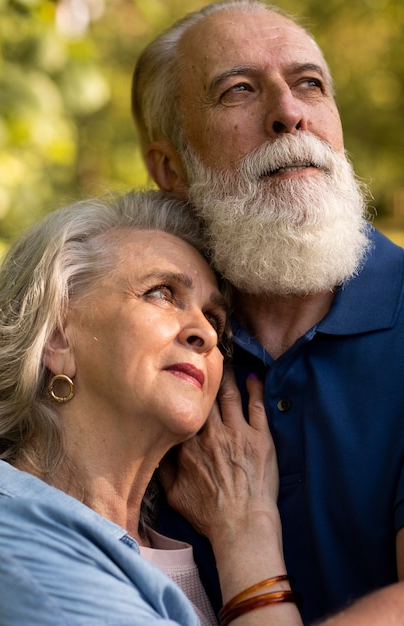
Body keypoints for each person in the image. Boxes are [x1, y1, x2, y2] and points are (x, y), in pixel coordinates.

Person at [131, 1, 404, 624]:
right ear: (170, 167)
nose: (289, 112)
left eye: (310, 83)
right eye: (239, 90)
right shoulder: (137, 342)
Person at [0, 188, 302, 626]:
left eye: (215, 320)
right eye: (161, 293)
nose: (206, 335)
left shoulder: (187, 553)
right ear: (56, 337)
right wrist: (251, 539)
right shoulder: (8, 536)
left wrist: (241, 530)